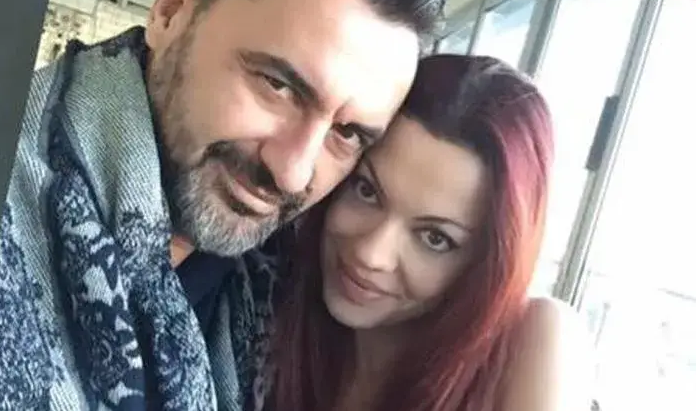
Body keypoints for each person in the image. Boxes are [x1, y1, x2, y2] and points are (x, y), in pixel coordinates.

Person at [0, 0, 446, 410]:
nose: (293, 173)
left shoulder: (284, 291)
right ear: (172, 12)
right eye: (278, 85)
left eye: (346, 134)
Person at [231, 54, 594, 410]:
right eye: (367, 191)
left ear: (486, 262)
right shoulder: (264, 294)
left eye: (435, 238)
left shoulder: (532, 343)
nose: (371, 254)